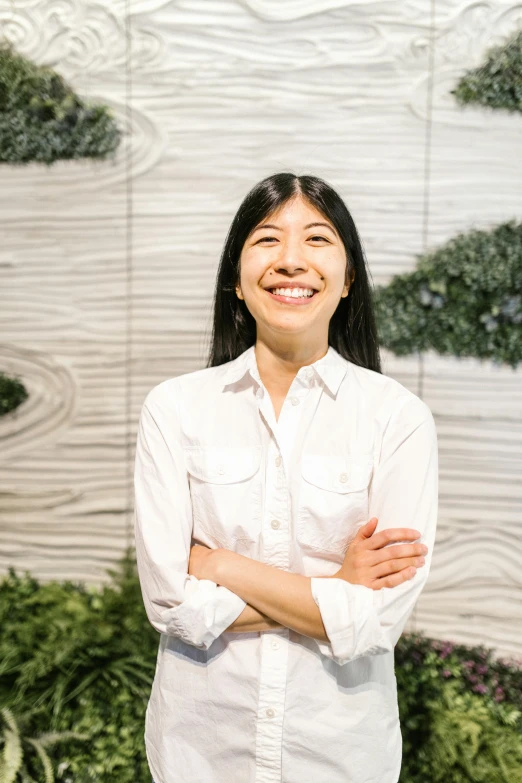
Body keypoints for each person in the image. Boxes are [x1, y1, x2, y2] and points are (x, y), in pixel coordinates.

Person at [134, 172, 438, 783]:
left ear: (348, 279)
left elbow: (377, 619)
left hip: (338, 754)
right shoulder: (174, 409)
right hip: (200, 751)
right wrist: (335, 590)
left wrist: (222, 567)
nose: (292, 261)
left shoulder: (397, 418)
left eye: (318, 239)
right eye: (268, 240)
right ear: (237, 282)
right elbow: (169, 604)